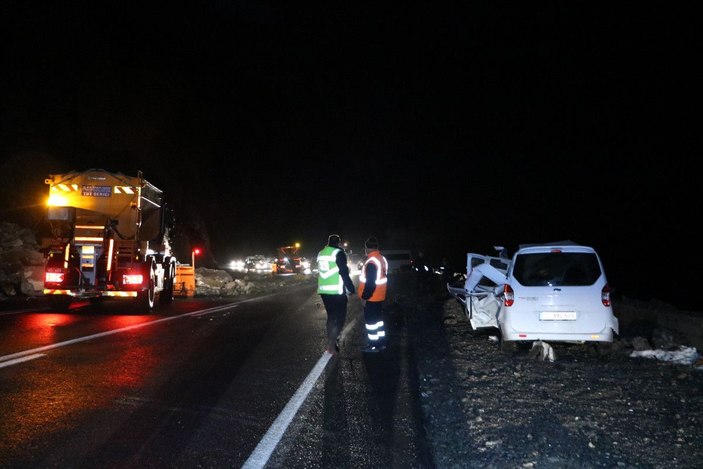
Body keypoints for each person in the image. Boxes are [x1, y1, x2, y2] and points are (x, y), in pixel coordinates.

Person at [317, 234, 356, 356]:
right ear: (338, 243)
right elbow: (343, 271)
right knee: (340, 317)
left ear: (328, 242)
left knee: (331, 316)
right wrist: (351, 288)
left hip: (324, 290)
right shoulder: (338, 253)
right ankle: (332, 343)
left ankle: (331, 341)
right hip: (336, 291)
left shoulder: (321, 253)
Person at [358, 236, 389, 353]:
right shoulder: (382, 259)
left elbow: (370, 283)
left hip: (372, 297)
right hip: (380, 296)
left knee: (371, 323)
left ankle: (373, 345)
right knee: (379, 322)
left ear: (367, 248)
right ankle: (381, 344)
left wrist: (365, 297)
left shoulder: (371, 262)